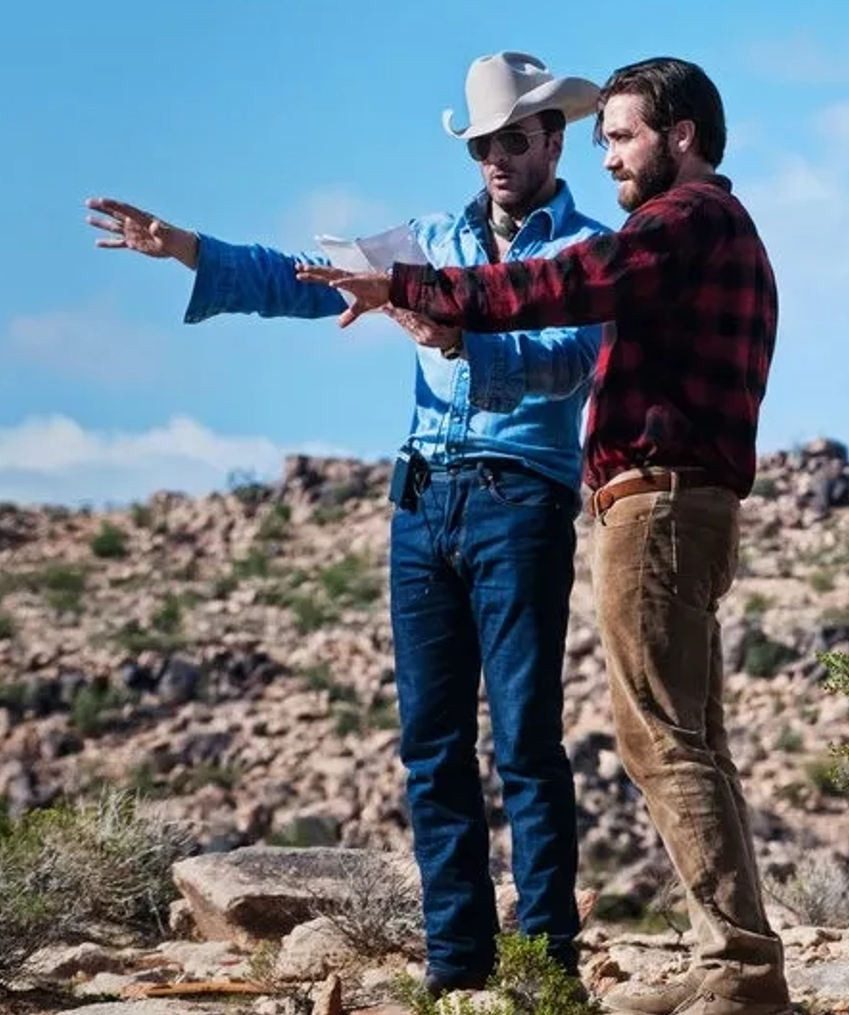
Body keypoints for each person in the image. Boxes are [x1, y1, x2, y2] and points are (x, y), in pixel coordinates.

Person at [84, 51, 611, 997]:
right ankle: (457, 969)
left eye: (511, 139)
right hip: (423, 501)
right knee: (432, 744)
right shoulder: (433, 238)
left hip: (520, 501)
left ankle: (546, 972)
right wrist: (192, 249)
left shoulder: (585, 249)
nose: (493, 156)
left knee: (526, 741)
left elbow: (568, 359)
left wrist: (461, 337)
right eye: (482, 142)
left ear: (553, 140)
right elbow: (309, 280)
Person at [296, 57, 789, 1015]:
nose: (609, 158)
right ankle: (733, 960)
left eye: (622, 136)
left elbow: (569, 283)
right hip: (679, 506)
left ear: (680, 136)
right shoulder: (720, 231)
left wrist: (421, 290)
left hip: (659, 506)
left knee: (665, 744)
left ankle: (736, 972)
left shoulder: (683, 223)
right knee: (690, 741)